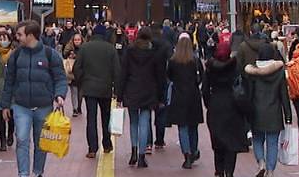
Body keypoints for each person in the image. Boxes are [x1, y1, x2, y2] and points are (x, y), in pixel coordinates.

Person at [0, 20, 67, 177]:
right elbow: (9, 81)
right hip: (21, 105)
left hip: (44, 105)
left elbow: (60, 78)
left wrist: (60, 95)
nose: (16, 37)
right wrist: (5, 104)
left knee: (41, 142)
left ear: (30, 35)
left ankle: (38, 174)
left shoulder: (50, 54)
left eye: (20, 34)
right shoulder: (15, 55)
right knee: (21, 139)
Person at [118, 27, 168, 168]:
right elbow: (160, 77)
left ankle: (133, 151)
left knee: (133, 122)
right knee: (144, 122)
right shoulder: (154, 54)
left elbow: (123, 74)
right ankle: (141, 155)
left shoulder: (129, 52)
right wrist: (161, 96)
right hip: (149, 92)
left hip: (132, 90)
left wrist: (119, 95)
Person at [245, 41, 292, 177]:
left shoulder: (253, 73)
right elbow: (284, 95)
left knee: (257, 139)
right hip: (274, 112)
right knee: (272, 142)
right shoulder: (278, 72)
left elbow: (249, 94)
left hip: (257, 111)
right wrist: (288, 115)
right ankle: (270, 171)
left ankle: (261, 162)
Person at [203, 34, 247, 177]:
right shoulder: (235, 67)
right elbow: (240, 85)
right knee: (231, 139)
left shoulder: (210, 68)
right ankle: (229, 172)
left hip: (215, 104)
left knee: (217, 139)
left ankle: (219, 169)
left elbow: (205, 89)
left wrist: (209, 103)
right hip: (231, 105)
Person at [73, 24, 121, 158]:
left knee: (91, 118)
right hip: (105, 88)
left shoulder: (84, 48)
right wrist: (117, 89)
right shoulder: (111, 49)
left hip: (89, 88)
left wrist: (82, 81)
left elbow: (77, 68)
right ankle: (106, 143)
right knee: (106, 118)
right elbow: (117, 71)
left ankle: (92, 148)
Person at [166, 34, 205, 169]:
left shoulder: (173, 61)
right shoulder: (195, 60)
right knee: (193, 126)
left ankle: (186, 154)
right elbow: (201, 77)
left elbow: (169, 76)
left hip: (179, 95)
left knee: (182, 126)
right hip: (193, 95)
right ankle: (194, 150)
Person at [63, 33, 85, 116]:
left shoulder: (85, 48)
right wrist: (69, 54)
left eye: (78, 40)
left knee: (81, 92)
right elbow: (64, 55)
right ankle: (75, 108)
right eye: (75, 40)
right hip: (72, 73)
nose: (77, 41)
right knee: (74, 91)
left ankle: (79, 106)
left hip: (82, 73)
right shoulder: (69, 48)